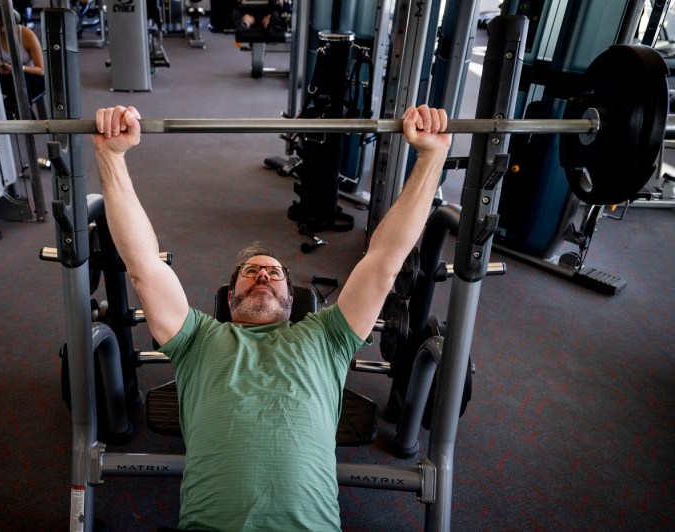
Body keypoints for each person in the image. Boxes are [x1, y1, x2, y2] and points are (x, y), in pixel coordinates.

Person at [92, 104, 450, 531]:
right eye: (251, 272)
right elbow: (143, 264)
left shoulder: (328, 337)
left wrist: (431, 157)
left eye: (274, 273)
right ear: (230, 297)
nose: (263, 274)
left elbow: (384, 261)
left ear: (291, 299)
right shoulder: (195, 339)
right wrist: (111, 157)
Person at [0, 4, 45, 106]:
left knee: (20, 77)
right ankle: (9, 107)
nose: (1, 29)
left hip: (33, 78)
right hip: (11, 79)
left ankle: (17, 108)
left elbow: (41, 70)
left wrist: (18, 68)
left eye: (4, 25)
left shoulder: (27, 34)